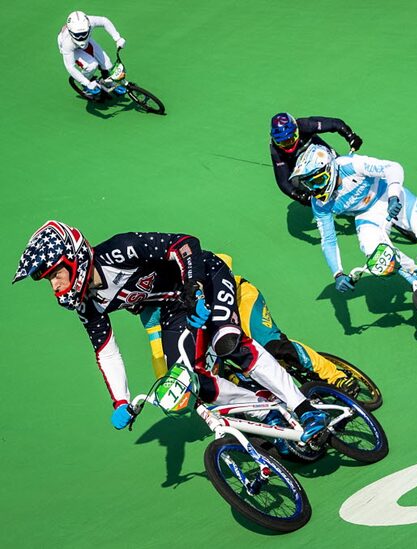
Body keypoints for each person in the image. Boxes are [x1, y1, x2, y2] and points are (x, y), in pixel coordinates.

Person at [12, 221, 328, 441]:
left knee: (229, 342)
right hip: (174, 310)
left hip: (206, 278)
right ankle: (266, 412)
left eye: (56, 274)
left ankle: (305, 409)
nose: (55, 285)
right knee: (189, 381)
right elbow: (106, 351)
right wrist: (120, 401)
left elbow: (186, 243)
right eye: (49, 280)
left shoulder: (121, 250)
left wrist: (192, 284)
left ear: (75, 259)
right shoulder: (85, 304)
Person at [140, 253, 360, 396]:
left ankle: (336, 376)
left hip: (238, 298)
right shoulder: (148, 309)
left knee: (274, 346)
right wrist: (167, 382)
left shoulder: (176, 266)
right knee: (220, 378)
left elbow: (223, 261)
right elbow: (158, 351)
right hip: (206, 327)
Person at [289, 144, 417, 294]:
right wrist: (338, 273)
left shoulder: (351, 164)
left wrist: (394, 195)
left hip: (389, 196)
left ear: (330, 169)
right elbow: (328, 240)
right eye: (310, 185)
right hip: (366, 215)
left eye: (318, 180)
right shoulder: (320, 204)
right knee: (374, 253)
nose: (316, 189)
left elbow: (392, 168)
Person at [270, 112, 363, 205]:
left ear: (296, 131)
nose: (288, 145)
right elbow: (283, 182)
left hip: (322, 154)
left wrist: (350, 135)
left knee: (343, 172)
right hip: (301, 170)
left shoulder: (305, 125)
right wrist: (298, 195)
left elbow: (335, 124)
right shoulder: (275, 149)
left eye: (290, 139)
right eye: (282, 143)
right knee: (310, 194)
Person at [58, 11, 127, 98]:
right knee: (92, 65)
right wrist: (87, 83)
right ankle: (85, 85)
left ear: (88, 27)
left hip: (88, 42)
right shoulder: (66, 44)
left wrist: (117, 38)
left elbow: (104, 21)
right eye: (78, 35)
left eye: (84, 34)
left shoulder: (90, 21)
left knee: (107, 64)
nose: (81, 38)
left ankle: (107, 81)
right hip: (73, 48)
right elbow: (70, 67)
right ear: (71, 32)